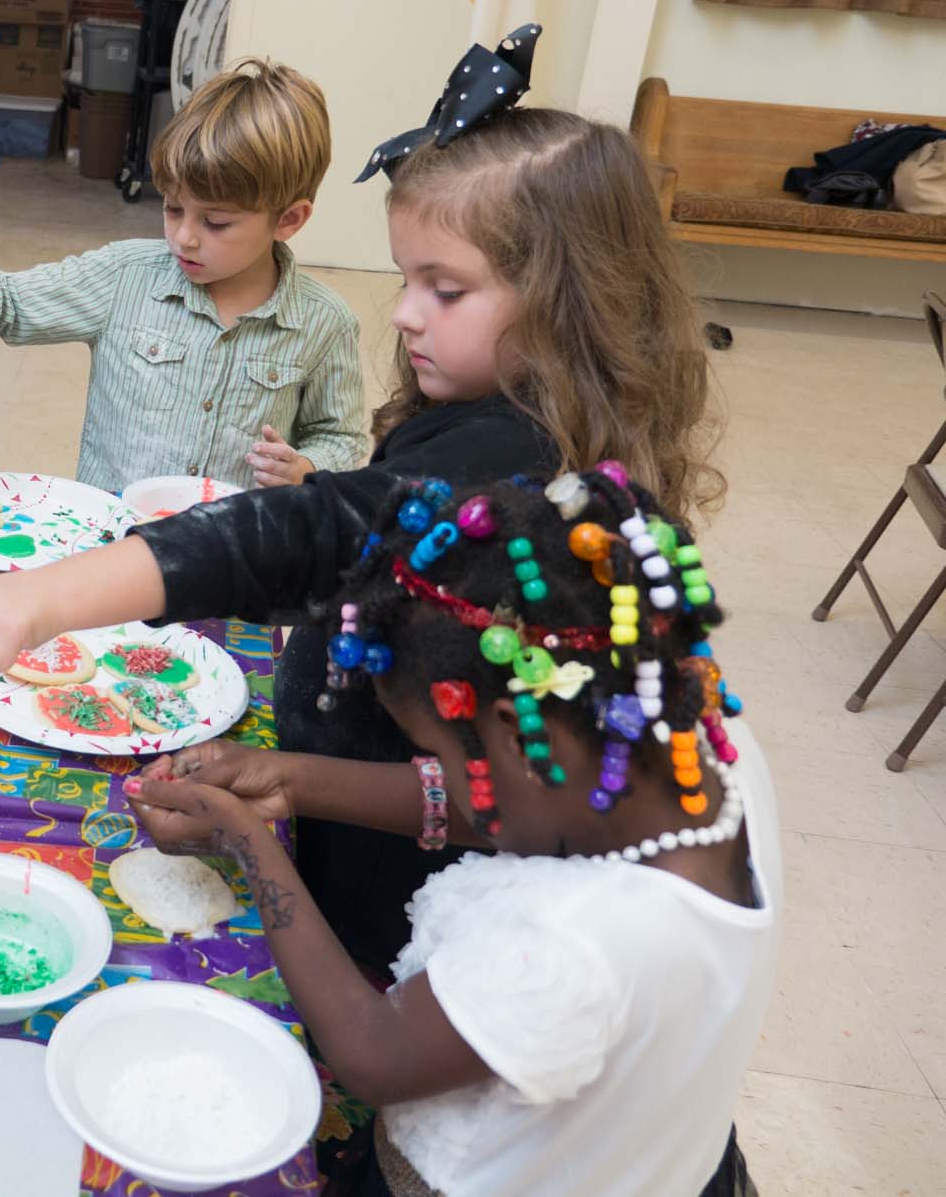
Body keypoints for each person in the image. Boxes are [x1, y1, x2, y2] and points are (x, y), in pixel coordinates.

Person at [0, 25, 724, 972]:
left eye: (445, 288)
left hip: (394, 906)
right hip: (351, 797)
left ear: (567, 303)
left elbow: (311, 533)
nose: (406, 311)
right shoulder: (516, 423)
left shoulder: (513, 467)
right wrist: (295, 782)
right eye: (409, 277)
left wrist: (42, 596)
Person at [127, 472, 773, 1197]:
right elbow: (504, 798)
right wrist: (292, 779)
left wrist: (252, 843)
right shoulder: (697, 750)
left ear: (519, 740)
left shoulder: (573, 945)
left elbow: (371, 1051)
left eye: (437, 756)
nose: (438, 776)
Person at [0, 58, 367, 492]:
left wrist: (307, 468)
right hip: (117, 542)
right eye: (172, 208)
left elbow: (341, 439)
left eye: (216, 222)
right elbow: (7, 297)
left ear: (288, 219)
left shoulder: (324, 322)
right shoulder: (124, 278)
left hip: (233, 551)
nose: (184, 237)